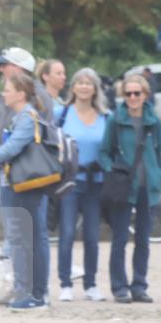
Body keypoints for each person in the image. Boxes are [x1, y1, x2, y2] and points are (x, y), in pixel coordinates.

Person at [0, 47, 53, 300]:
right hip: (19, 174)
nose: (1, 69)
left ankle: (29, 290)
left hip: (25, 176)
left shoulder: (31, 99)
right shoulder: (28, 96)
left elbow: (17, 142)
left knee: (28, 236)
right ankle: (32, 289)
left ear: (18, 68)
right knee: (30, 235)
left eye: (5, 65)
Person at [97, 74, 161, 303]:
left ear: (145, 94)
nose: (133, 97)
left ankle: (139, 285)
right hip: (125, 186)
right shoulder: (115, 120)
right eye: (129, 93)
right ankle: (119, 286)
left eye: (138, 93)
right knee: (120, 238)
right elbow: (104, 152)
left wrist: (159, 174)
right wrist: (113, 170)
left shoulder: (153, 120)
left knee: (144, 239)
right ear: (123, 95)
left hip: (149, 185)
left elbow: (159, 151)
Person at [56, 68, 109, 302]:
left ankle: (91, 284)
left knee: (91, 235)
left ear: (95, 88)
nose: (85, 87)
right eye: (80, 82)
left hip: (96, 182)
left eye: (89, 83)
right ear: (73, 87)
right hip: (69, 181)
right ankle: (65, 283)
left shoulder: (106, 116)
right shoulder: (62, 114)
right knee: (67, 232)